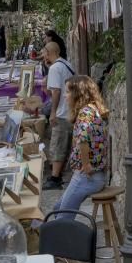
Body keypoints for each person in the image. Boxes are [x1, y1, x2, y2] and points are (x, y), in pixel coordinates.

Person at [50, 76, 110, 218]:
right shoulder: (92, 109)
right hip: (92, 175)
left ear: (78, 93)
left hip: (88, 177)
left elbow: (83, 139)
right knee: (57, 209)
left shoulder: (85, 113)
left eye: (68, 92)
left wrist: (87, 165)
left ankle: (63, 239)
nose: (65, 96)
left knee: (62, 217)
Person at [44, 42, 76, 190]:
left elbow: (56, 91)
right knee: (64, 144)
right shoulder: (65, 64)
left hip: (62, 113)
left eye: (44, 53)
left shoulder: (55, 68)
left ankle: (55, 178)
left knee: (58, 145)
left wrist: (53, 113)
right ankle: (58, 175)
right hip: (69, 111)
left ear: (49, 52)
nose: (43, 56)